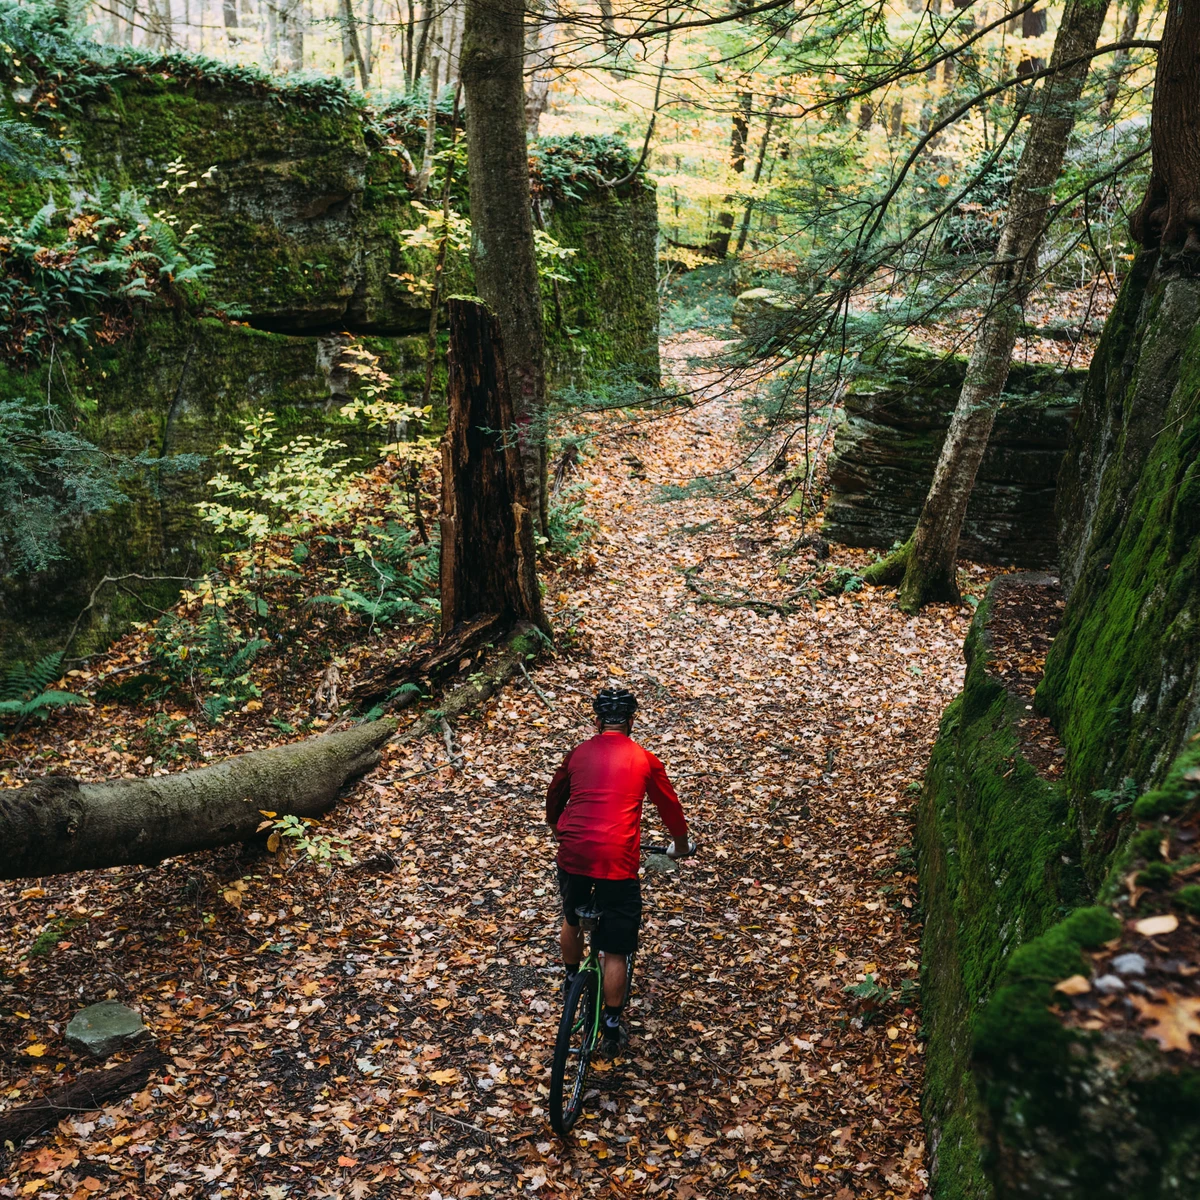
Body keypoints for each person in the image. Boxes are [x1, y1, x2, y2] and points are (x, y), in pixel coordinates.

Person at [545, 687, 692, 1054]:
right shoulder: (645, 759)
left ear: (597, 721)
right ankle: (610, 1028)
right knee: (614, 950)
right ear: (631, 721)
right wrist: (681, 844)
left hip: (574, 852)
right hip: (617, 861)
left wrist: (557, 828)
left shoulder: (578, 752)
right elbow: (670, 808)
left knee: (572, 917)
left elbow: (555, 794)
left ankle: (569, 979)